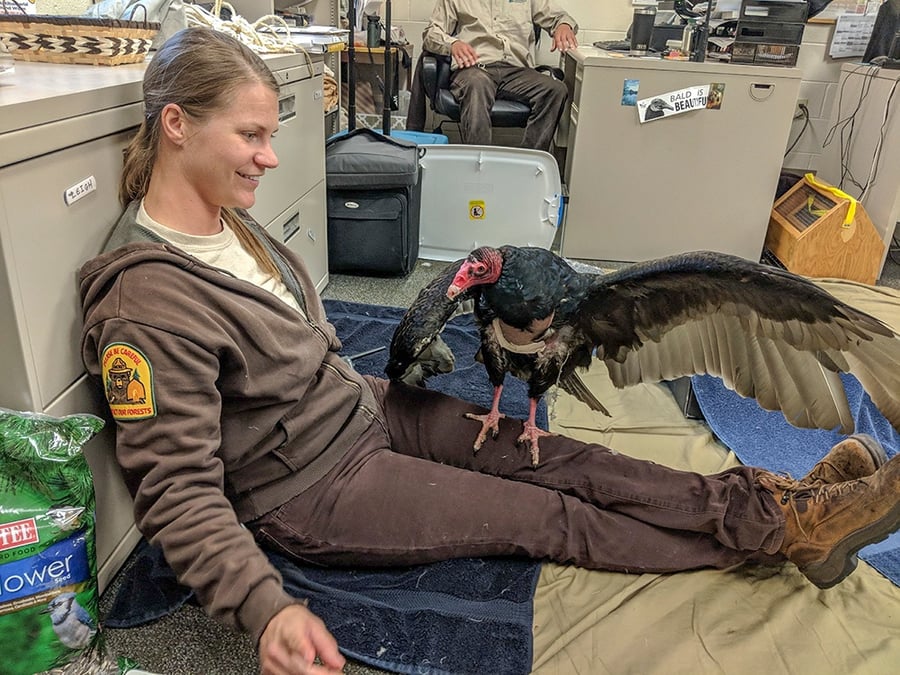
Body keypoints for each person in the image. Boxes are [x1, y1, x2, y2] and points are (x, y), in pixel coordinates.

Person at [79, 27, 900, 675]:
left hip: (362, 407)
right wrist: (267, 607)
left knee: (567, 457)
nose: (270, 154)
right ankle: (779, 535)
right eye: (251, 135)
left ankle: (770, 502)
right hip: (313, 486)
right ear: (177, 125)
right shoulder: (146, 308)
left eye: (270, 134)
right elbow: (177, 492)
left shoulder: (231, 223)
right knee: (551, 519)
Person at [421, 0, 578, 150]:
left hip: (516, 70)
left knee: (556, 89)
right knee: (478, 83)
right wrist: (452, 44)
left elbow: (557, 16)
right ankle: (479, 165)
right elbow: (431, 34)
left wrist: (563, 25)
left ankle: (529, 163)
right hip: (474, 68)